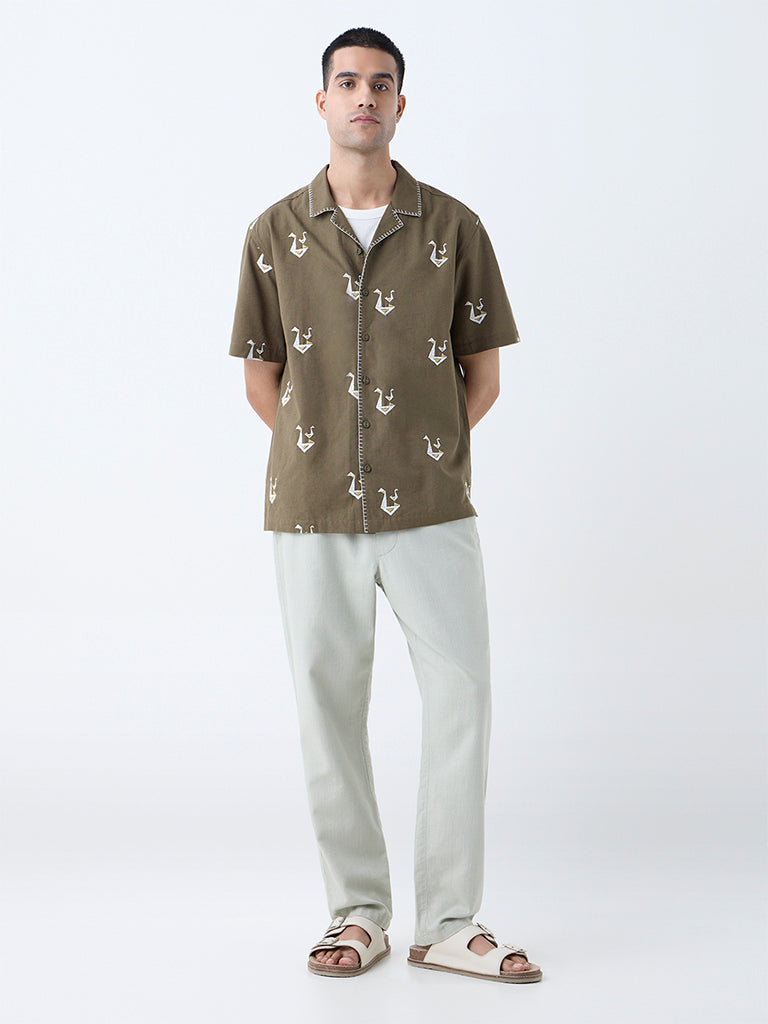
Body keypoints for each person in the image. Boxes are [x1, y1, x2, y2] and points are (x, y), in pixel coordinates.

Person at [229, 26, 542, 984]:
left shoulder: (454, 229)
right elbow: (262, 379)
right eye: (348, 82)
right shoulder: (274, 234)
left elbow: (483, 375)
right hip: (311, 510)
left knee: (462, 697)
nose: (364, 96)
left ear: (401, 105)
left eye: (381, 84)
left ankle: (448, 922)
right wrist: (332, 456)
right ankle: (356, 914)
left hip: (431, 508)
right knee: (328, 706)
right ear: (322, 101)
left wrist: (418, 453)